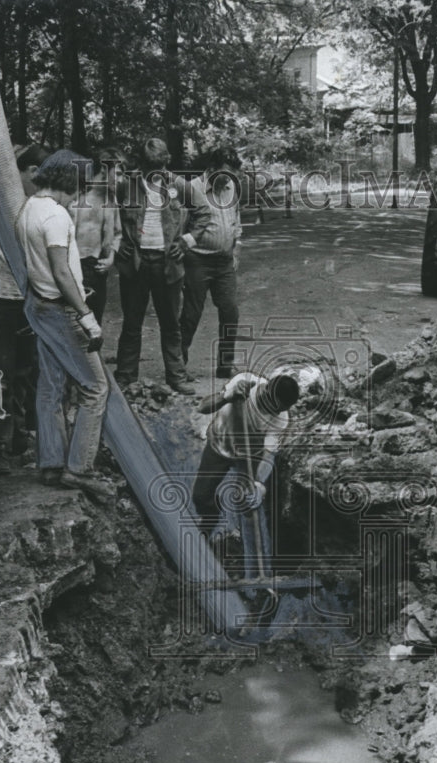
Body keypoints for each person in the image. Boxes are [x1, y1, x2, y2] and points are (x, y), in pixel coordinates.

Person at [15, 149, 112, 502]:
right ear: (69, 183)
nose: (81, 196)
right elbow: (60, 271)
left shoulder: (29, 208)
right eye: (80, 188)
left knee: (50, 385)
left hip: (39, 304)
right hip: (60, 309)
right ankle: (79, 468)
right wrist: (86, 316)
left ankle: (51, 462)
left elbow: (45, 268)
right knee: (95, 388)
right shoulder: (56, 217)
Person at [0, 143, 48, 474]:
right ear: (30, 171)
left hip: (28, 299)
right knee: (0, 372)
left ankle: (22, 438)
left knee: (26, 371)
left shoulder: (41, 201)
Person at [113, 137, 213, 394]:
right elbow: (109, 213)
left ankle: (176, 377)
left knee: (170, 323)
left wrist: (187, 241)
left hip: (168, 263)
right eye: (148, 165)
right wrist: (116, 242)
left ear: (166, 161)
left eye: (159, 165)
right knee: (131, 322)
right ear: (141, 163)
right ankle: (125, 376)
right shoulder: (127, 184)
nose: (154, 171)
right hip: (136, 262)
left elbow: (203, 211)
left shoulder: (178, 184)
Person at [192, 372, 300, 538]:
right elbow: (202, 407)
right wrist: (228, 397)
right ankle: (211, 516)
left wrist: (257, 483)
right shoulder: (243, 385)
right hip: (219, 446)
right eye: (275, 408)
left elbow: (268, 454)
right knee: (200, 496)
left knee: (247, 500)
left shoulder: (281, 419)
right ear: (266, 392)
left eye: (281, 410)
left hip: (249, 455)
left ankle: (242, 534)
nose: (277, 414)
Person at [179, 145, 243, 380]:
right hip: (197, 259)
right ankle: (179, 364)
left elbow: (235, 220)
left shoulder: (230, 188)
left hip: (224, 262)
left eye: (232, 174)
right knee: (191, 313)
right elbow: (180, 225)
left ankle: (225, 366)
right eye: (224, 172)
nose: (228, 178)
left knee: (230, 311)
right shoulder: (192, 189)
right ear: (212, 169)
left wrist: (236, 246)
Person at [71, 147, 121, 324]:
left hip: (99, 268)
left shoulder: (111, 199)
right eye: (118, 173)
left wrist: (111, 258)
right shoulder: (76, 197)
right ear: (104, 170)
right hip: (76, 268)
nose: (121, 180)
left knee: (95, 323)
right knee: (76, 323)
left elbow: (117, 232)